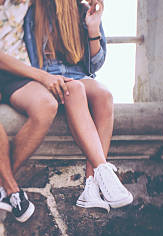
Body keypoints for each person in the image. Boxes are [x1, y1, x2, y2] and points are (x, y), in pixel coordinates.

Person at [0, 0, 73, 222]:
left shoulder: (21, 4)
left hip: (18, 78)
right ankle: (12, 187)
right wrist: (44, 77)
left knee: (47, 105)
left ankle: (0, 184)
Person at [23, 0, 133, 210]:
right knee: (75, 90)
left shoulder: (82, 10)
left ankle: (91, 187)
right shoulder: (33, 12)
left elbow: (95, 63)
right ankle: (103, 170)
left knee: (104, 94)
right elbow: (27, 59)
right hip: (46, 80)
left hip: (79, 76)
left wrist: (93, 27)